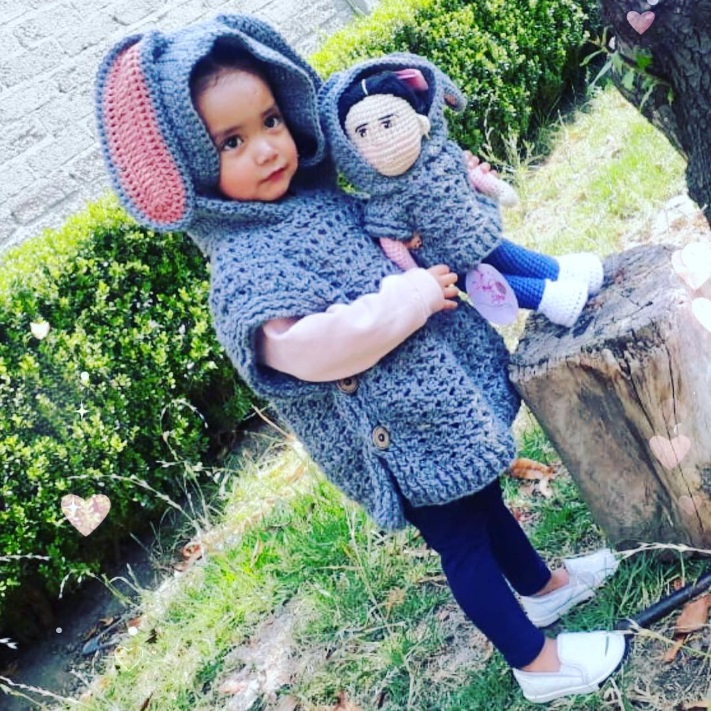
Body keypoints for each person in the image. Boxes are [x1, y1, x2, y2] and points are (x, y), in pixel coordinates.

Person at [95, 14, 625, 704]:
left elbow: (389, 230)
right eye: (231, 141)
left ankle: (542, 587)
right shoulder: (244, 265)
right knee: (461, 544)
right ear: (193, 166)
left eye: (268, 122)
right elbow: (307, 348)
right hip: (395, 435)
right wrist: (405, 297)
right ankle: (536, 661)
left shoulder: (315, 198)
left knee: (483, 498)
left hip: (433, 404)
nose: (264, 148)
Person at [319, 59, 605, 328]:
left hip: (477, 229)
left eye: (387, 123)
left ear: (418, 120)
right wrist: (416, 274)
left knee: (509, 255)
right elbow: (391, 241)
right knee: (493, 288)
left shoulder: (442, 157)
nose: (380, 139)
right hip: (448, 262)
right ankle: (549, 298)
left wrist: (496, 188)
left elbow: (470, 174)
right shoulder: (385, 203)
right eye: (363, 133)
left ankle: (560, 272)